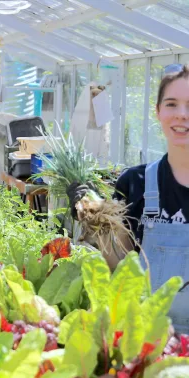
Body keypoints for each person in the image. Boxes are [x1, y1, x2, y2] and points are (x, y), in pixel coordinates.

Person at [71, 63, 189, 333]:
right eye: (171, 104)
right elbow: (120, 265)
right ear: (158, 111)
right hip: (146, 341)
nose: (182, 115)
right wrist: (94, 218)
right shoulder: (136, 183)